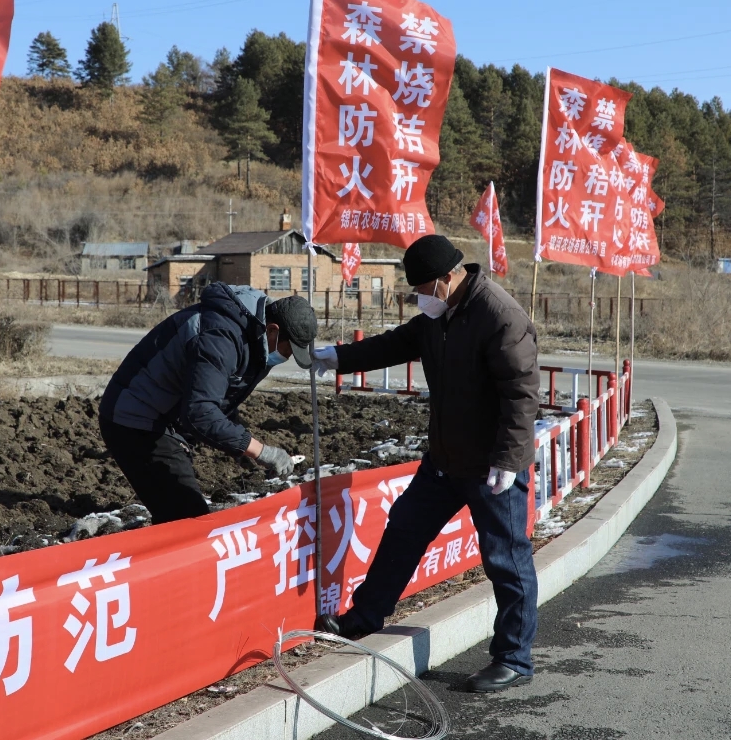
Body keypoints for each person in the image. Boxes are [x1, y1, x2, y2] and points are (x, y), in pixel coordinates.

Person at [312, 234, 541, 693]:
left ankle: (513, 658)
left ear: (445, 279)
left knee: (505, 557)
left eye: (421, 289)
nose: (418, 298)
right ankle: (365, 615)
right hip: (444, 460)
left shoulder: (498, 316)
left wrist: (509, 460)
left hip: (490, 466)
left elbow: (521, 393)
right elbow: (392, 345)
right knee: (405, 528)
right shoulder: (439, 316)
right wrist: (337, 357)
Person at [98, 284, 317, 525]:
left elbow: (219, 397)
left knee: (179, 516)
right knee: (187, 518)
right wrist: (259, 450)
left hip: (168, 417)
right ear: (273, 330)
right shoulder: (219, 336)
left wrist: (239, 443)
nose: (286, 358)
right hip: (135, 417)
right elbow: (200, 412)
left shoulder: (255, 338)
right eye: (289, 350)